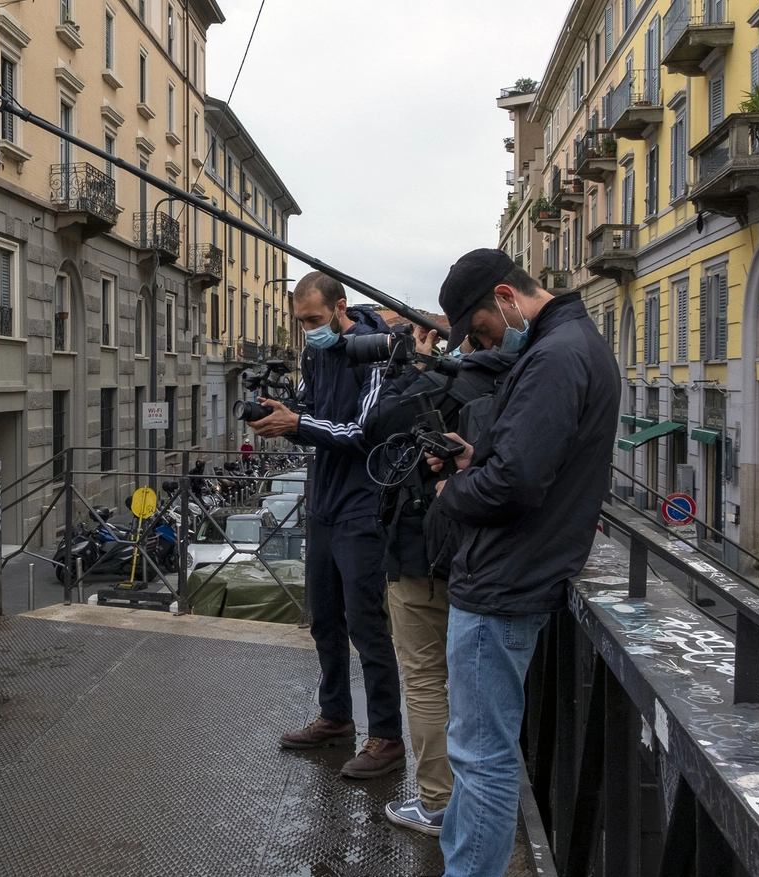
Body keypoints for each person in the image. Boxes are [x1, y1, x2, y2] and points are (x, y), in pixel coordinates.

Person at [427, 249, 618, 877]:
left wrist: (452, 492)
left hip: (504, 581)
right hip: (518, 572)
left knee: (481, 756)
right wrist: (471, 457)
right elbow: (527, 457)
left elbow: (514, 485)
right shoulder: (570, 345)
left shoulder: (556, 357)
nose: (481, 342)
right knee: (477, 752)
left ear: (506, 296)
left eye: (480, 329)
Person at [249, 271, 404, 779]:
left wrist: (299, 423)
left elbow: (363, 432)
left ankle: (386, 735)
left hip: (363, 505)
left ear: (340, 309)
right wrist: (284, 414)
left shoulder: (372, 349)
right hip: (324, 504)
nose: (307, 331)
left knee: (366, 625)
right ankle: (336, 718)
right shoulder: (316, 353)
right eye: (300, 323)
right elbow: (313, 414)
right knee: (324, 620)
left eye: (314, 320)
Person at [361, 326, 515, 837]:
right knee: (483, 687)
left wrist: (418, 367)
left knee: (426, 679)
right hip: (493, 553)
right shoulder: (525, 377)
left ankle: (438, 802)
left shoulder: (442, 382)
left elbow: (376, 425)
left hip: (421, 554)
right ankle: (488, 804)